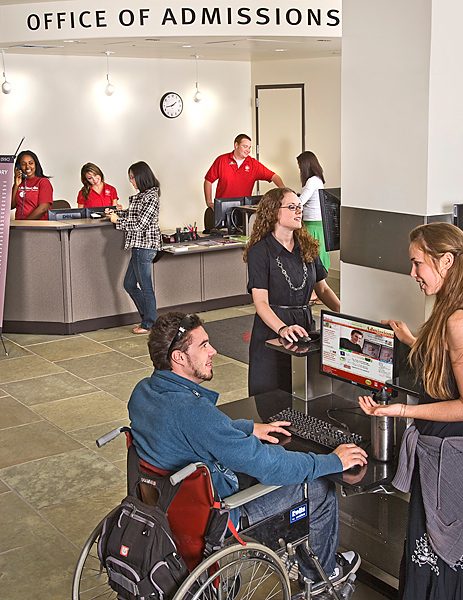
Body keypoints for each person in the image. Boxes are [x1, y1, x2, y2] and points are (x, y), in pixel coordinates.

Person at [129, 311, 366, 589]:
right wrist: (331, 461)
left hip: (171, 506)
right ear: (179, 358)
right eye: (203, 345)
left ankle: (308, 563)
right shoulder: (192, 412)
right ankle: (324, 579)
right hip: (217, 517)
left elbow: (190, 430)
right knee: (318, 485)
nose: (213, 351)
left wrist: (245, 428)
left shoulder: (143, 392)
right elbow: (267, 464)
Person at [359, 222, 463, 600]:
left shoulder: (459, 321)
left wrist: (402, 412)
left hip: (450, 461)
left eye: (417, 264)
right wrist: (411, 340)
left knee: (440, 562)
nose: (412, 274)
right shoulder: (455, 308)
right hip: (442, 457)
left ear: (446, 261)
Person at [243, 187, 340, 396]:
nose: (299, 211)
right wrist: (282, 329)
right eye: (292, 207)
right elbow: (261, 303)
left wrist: (345, 314)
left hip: (304, 327)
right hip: (273, 329)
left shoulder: (307, 246)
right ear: (274, 212)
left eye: (300, 207)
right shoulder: (260, 251)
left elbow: (322, 288)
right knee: (270, 393)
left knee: (302, 391)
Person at [106, 162, 162, 335]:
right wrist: (116, 212)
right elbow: (135, 214)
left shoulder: (151, 197)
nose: (131, 181)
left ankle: (149, 323)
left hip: (144, 246)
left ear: (141, 176)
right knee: (129, 284)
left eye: (133, 177)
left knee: (145, 286)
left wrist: (118, 221)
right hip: (138, 247)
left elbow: (140, 224)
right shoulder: (143, 195)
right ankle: (148, 319)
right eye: (130, 177)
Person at [204, 133, 284, 213]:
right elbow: (208, 180)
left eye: (249, 147)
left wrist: (284, 191)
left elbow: (274, 176)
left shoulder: (253, 164)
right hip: (222, 208)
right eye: (245, 146)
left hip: (243, 210)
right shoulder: (222, 160)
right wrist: (209, 202)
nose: (248, 150)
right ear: (236, 145)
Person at [297, 151, 330, 272]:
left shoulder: (312, 181)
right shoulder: (318, 180)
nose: (299, 169)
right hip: (316, 222)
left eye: (300, 165)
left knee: (312, 254)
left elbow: (300, 201)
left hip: (312, 223)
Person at [11, 150, 53, 220]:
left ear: (35, 164)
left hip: (37, 227)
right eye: (23, 164)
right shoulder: (19, 183)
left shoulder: (43, 182)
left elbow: (43, 208)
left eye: (30, 163)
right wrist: (16, 184)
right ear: (19, 167)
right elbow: (11, 206)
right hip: (18, 226)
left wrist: (24, 224)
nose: (27, 166)